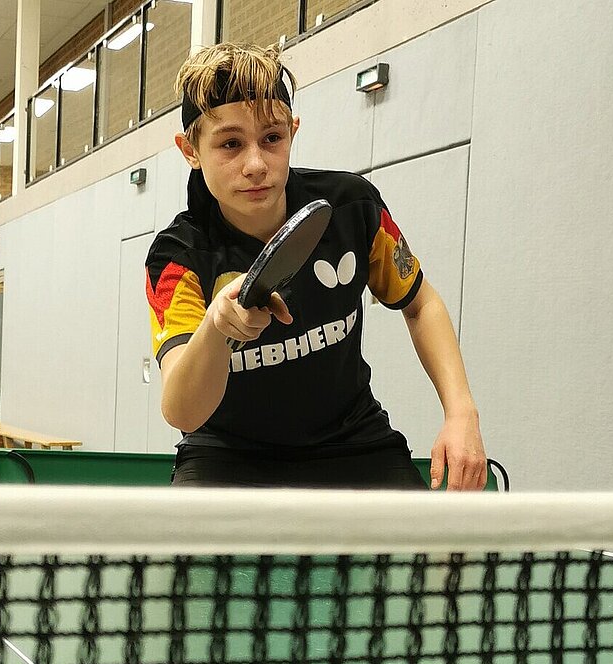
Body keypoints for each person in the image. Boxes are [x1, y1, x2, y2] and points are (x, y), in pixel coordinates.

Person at [145, 43, 487, 490]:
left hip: (354, 441)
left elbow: (420, 304)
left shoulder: (353, 208)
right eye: (230, 143)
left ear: (292, 130)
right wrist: (215, 329)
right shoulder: (176, 257)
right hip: (227, 455)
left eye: (272, 138)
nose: (255, 164)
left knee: (432, 537)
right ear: (190, 150)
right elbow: (182, 413)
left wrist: (461, 414)